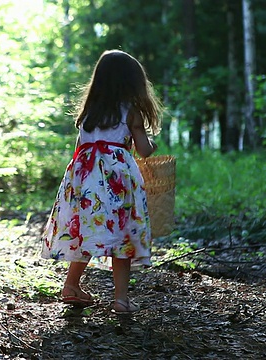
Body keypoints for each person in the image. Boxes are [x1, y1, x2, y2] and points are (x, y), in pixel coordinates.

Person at [40, 49, 162, 314]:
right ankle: (120, 299)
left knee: (85, 230)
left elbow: (79, 148)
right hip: (116, 181)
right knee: (122, 234)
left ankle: (71, 285)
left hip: (84, 180)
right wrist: (150, 142)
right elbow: (143, 150)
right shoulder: (131, 112)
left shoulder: (88, 113)